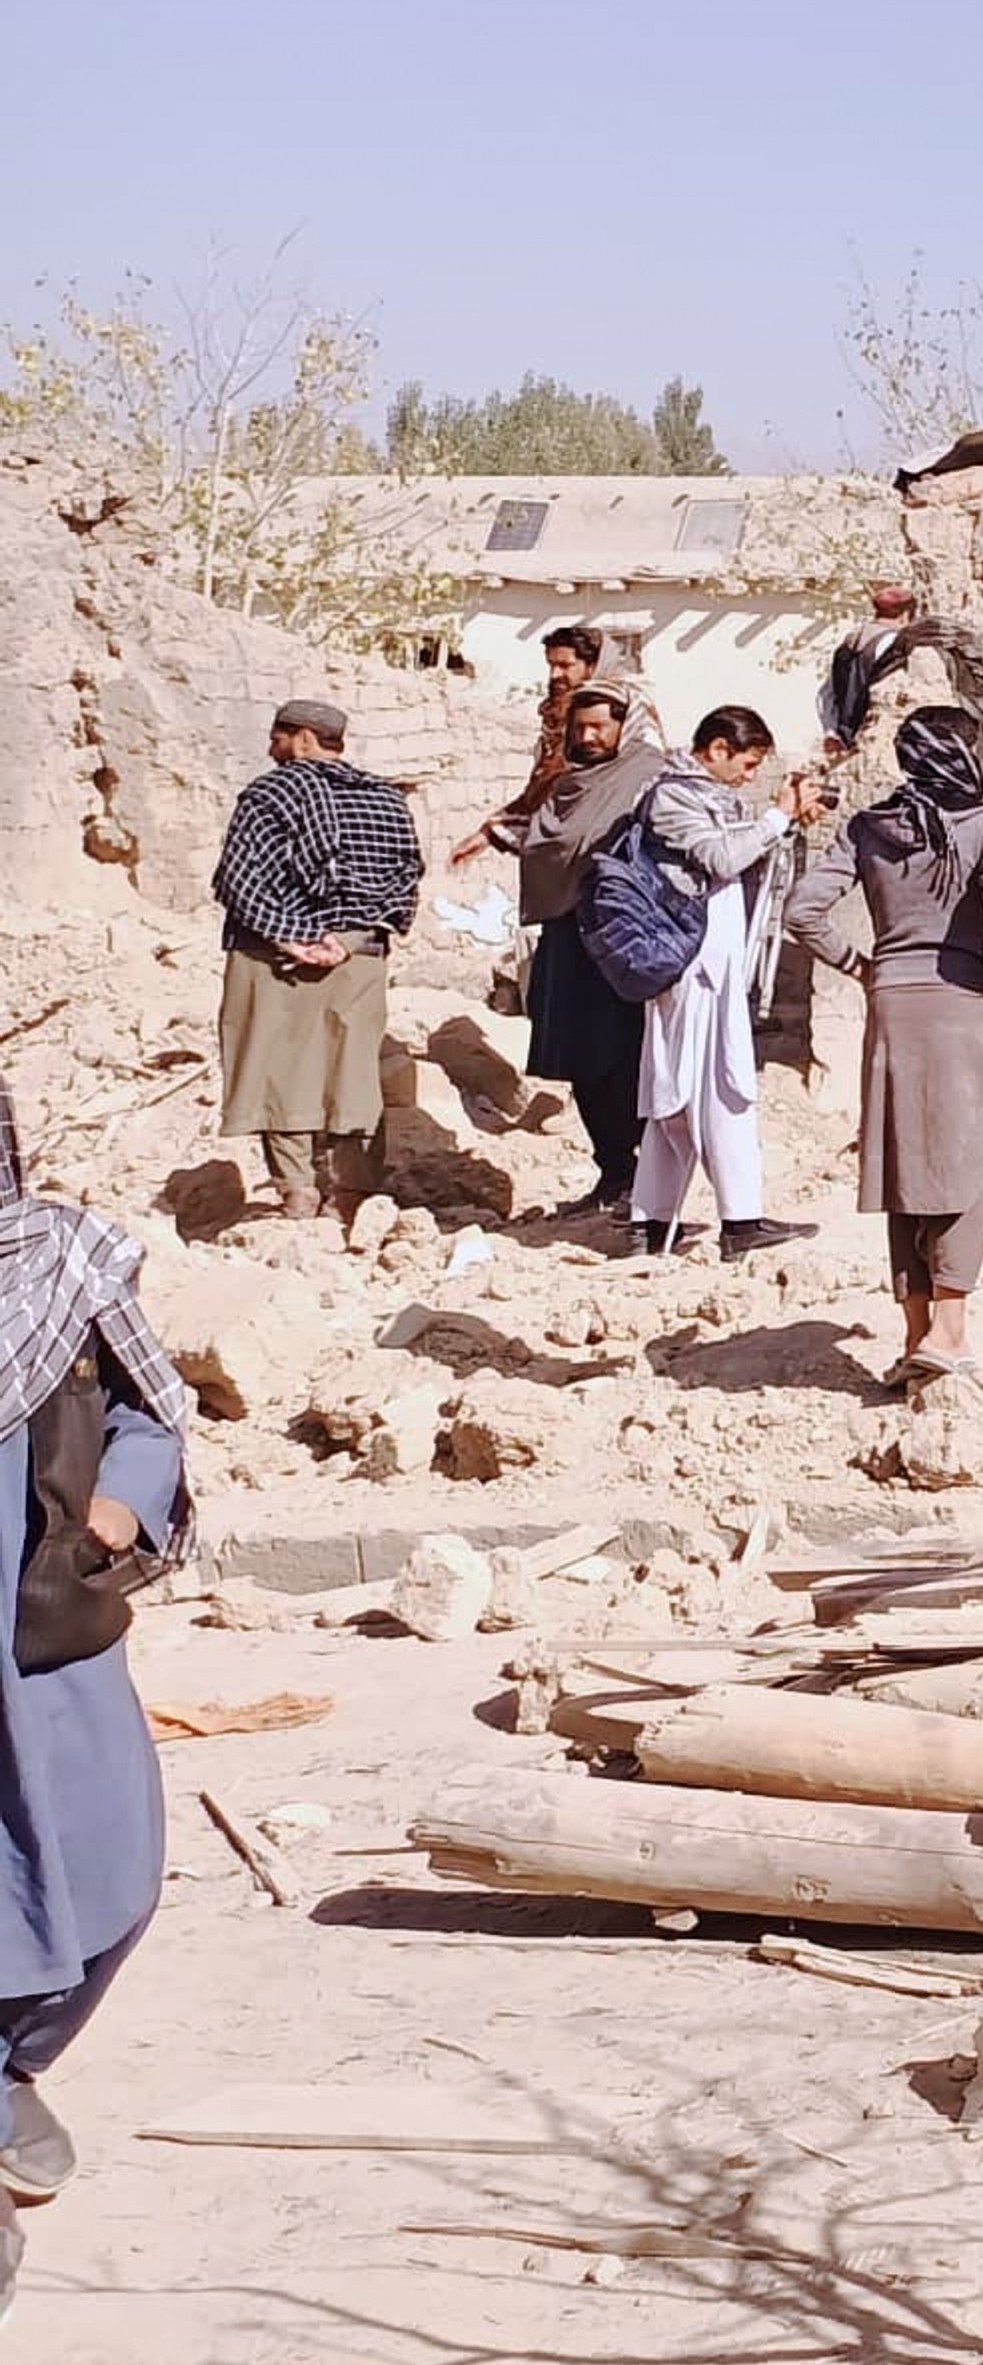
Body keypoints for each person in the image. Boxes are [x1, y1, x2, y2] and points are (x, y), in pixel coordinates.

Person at [0, 1079, 191, 2314]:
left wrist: (119, 1505)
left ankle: (14, 2061)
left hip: (35, 1625)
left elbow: (149, 1408)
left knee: (111, 1873)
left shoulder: (57, 1255)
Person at [788, 707, 983, 1389]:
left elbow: (801, 911)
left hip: (892, 1003)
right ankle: (950, 1334)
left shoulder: (869, 827)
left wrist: (862, 965)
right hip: (966, 1003)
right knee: (962, 1165)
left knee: (907, 1166)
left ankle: (914, 1334)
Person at [208, 700, 426, 1221]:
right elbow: (404, 882)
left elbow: (238, 880)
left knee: (276, 1072)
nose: (271, 749)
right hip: (359, 959)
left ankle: (298, 1191)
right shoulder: (388, 801)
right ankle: (354, 1196)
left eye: (278, 737)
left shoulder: (270, 793)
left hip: (273, 958)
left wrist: (294, 938)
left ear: (304, 738)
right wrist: (346, 941)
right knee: (351, 1076)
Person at [628, 707, 825, 1259]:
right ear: (716, 749)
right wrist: (775, 818)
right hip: (693, 963)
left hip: (711, 961)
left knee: (686, 1087)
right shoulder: (673, 795)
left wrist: (781, 823)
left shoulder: (702, 795)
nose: (746, 775)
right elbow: (721, 856)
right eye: (745, 762)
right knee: (716, 1087)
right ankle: (740, 1219)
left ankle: (653, 1218)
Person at [500, 689, 664, 1216]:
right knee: (582, 1060)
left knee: (631, 1056)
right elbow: (552, 846)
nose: (589, 737)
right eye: (582, 727)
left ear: (626, 726)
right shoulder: (568, 784)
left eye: (600, 727)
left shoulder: (649, 777)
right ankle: (612, 1170)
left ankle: (647, 1176)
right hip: (570, 934)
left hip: (628, 935)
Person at [450, 625, 656, 868]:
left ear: (593, 666)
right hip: (567, 851)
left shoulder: (628, 710)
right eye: (551, 665)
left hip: (616, 846)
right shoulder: (560, 721)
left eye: (565, 666)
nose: (554, 675)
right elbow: (550, 787)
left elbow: (638, 774)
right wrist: (488, 835)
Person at [817, 585, 922, 762]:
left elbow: (826, 694)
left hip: (847, 739)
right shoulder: (892, 643)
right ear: (905, 614)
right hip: (877, 741)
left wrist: (832, 730)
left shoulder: (851, 640)